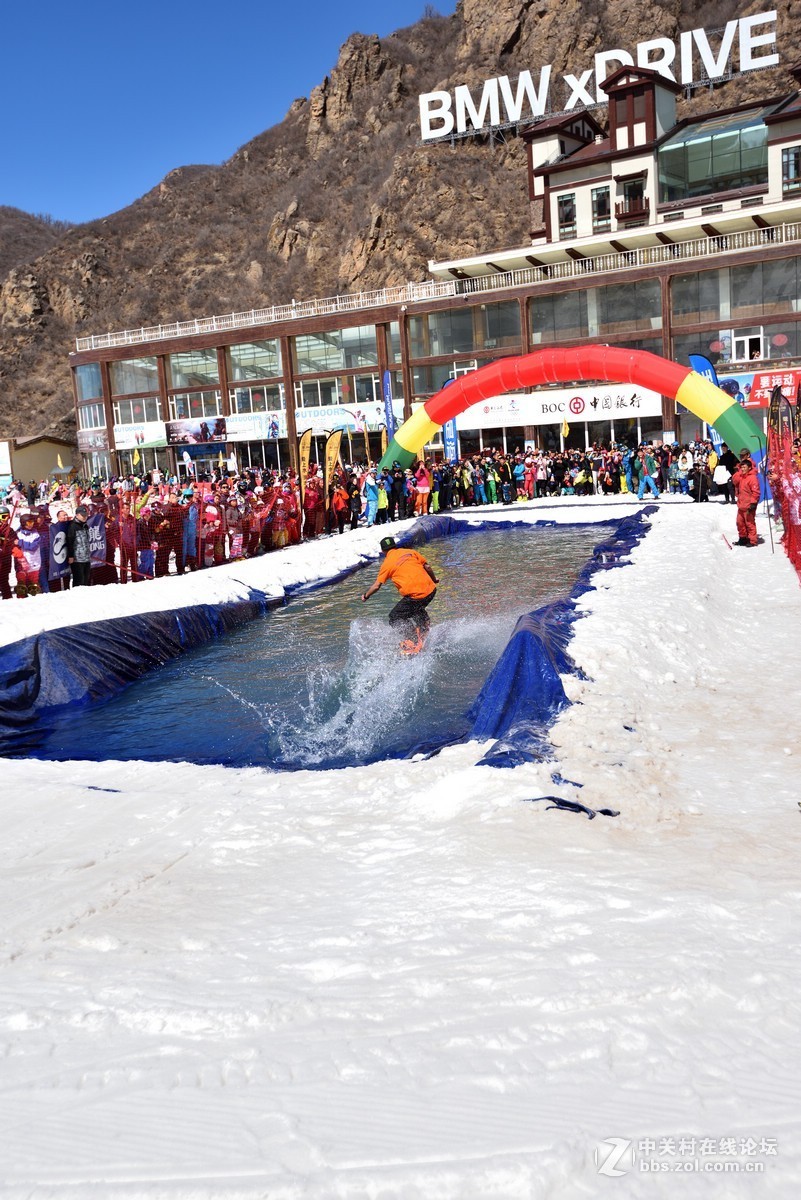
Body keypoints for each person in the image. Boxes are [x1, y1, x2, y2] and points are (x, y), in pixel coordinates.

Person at [361, 535, 439, 648]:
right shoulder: (410, 552)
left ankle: (412, 641)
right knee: (416, 609)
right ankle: (423, 628)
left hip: (416, 596)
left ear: (383, 551)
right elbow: (427, 566)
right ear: (395, 546)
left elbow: (377, 586)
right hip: (431, 590)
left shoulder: (387, 564)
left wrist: (366, 595)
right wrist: (434, 579)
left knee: (395, 616)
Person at [731, 452, 760, 546]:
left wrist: (753, 503)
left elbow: (756, 492)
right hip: (741, 504)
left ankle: (752, 541)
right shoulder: (741, 476)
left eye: (744, 467)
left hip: (749, 505)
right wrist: (739, 471)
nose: (742, 469)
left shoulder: (752, 478)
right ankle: (743, 538)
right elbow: (734, 481)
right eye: (741, 467)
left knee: (749, 523)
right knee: (739, 522)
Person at [66, 505, 93, 586]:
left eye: (86, 515)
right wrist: (70, 556)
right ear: (77, 515)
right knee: (79, 580)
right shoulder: (73, 526)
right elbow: (70, 542)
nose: (85, 517)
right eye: (82, 515)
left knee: (86, 579)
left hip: (86, 557)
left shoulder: (85, 525)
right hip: (77, 559)